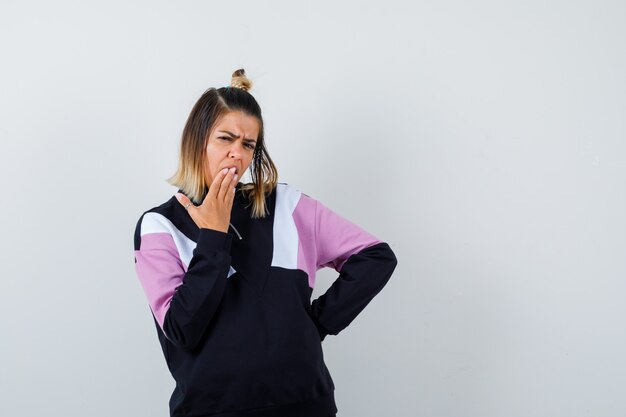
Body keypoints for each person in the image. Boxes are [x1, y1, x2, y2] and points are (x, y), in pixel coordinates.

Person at [133, 68, 398, 417]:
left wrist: (314, 325)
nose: (237, 155)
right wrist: (213, 237)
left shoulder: (287, 205)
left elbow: (375, 257)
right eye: (225, 139)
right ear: (197, 140)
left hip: (305, 404)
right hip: (212, 409)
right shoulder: (159, 225)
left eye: (248, 145)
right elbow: (182, 330)